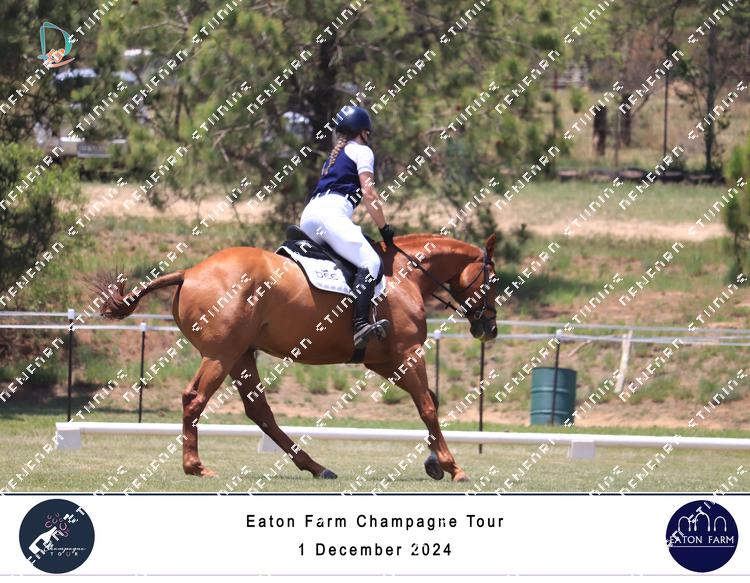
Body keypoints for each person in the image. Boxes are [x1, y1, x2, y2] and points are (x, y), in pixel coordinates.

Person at [300, 105, 395, 349]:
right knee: (370, 263)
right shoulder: (362, 150)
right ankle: (360, 325)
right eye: (368, 133)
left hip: (308, 216)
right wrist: (384, 229)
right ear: (363, 132)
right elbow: (369, 194)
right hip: (330, 214)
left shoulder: (334, 157)